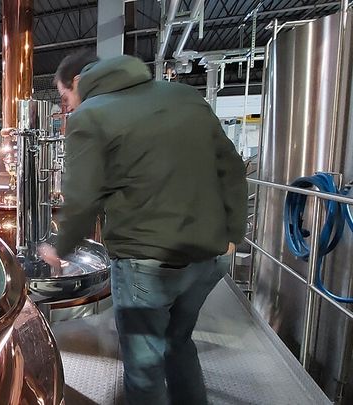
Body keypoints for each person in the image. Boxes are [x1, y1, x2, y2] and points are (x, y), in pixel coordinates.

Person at [38, 51, 247, 405]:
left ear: (76, 82)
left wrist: (60, 248)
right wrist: (233, 235)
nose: (67, 106)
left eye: (64, 97)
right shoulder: (184, 97)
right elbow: (232, 168)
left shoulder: (90, 116)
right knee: (179, 344)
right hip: (208, 258)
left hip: (145, 265)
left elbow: (83, 199)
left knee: (144, 370)